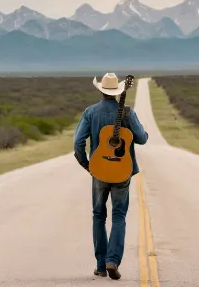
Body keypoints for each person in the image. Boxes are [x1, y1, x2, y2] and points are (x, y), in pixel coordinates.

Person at [73, 72, 149, 280]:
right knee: (118, 216)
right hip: (122, 171)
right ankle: (112, 261)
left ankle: (100, 264)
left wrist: (88, 165)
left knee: (98, 215)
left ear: (100, 90)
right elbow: (142, 139)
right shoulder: (127, 113)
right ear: (118, 92)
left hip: (99, 171)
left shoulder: (90, 112)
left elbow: (78, 144)